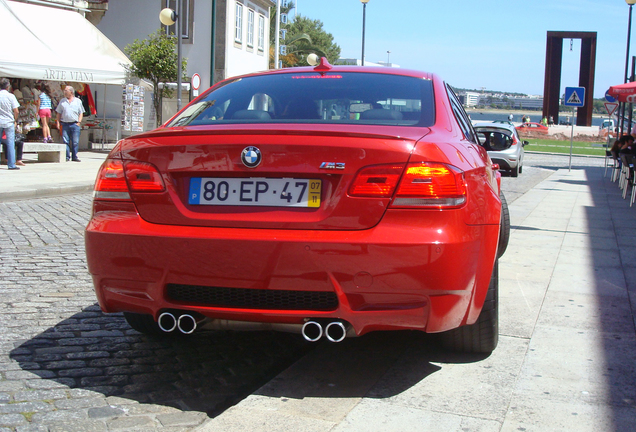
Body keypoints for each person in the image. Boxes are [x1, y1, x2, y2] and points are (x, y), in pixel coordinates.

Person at [55, 85, 83, 162]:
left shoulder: (78, 101)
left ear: (71, 92)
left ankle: (74, 156)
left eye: (66, 91)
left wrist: (79, 122)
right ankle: (67, 156)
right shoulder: (62, 101)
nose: (64, 92)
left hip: (75, 124)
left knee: (75, 142)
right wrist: (58, 122)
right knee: (65, 141)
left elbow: (81, 112)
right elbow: (58, 113)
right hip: (65, 124)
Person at [0, 78, 21, 170]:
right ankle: (11, 164)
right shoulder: (11, 96)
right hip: (9, 121)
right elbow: (16, 110)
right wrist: (15, 119)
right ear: (8, 87)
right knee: (10, 143)